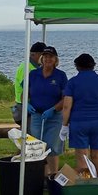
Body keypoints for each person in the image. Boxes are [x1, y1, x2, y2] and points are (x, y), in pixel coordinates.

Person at [61, 53, 98, 179]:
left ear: (77, 66)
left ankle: (87, 184)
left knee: (82, 156)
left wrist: (64, 125)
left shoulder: (73, 82)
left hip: (79, 122)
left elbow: (67, 106)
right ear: (93, 66)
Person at [27, 46, 67, 175]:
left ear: (55, 59)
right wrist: (26, 104)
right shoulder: (33, 74)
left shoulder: (60, 76)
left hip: (54, 116)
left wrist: (53, 109)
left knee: (52, 146)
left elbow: (65, 98)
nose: (47, 59)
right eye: (45, 57)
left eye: (51, 57)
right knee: (36, 146)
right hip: (37, 116)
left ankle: (53, 175)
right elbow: (24, 93)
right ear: (41, 59)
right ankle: (40, 176)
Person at [13, 42, 47, 124]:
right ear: (34, 54)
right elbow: (26, 88)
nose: (45, 58)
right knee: (30, 132)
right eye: (43, 55)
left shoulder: (37, 67)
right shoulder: (26, 67)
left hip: (33, 105)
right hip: (24, 105)